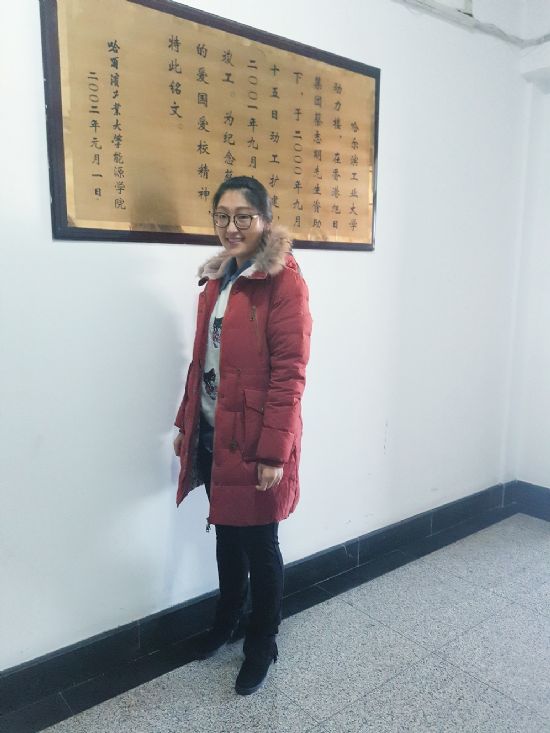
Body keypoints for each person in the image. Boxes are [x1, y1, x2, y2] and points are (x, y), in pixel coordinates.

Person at [173, 175, 312, 695]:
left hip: (257, 440)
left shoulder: (284, 282)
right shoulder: (218, 279)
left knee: (260, 544)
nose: (231, 227)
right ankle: (228, 619)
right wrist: (187, 424)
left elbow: (289, 374)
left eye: (243, 217)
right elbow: (200, 362)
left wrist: (274, 451)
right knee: (227, 535)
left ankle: (262, 642)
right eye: (222, 217)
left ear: (265, 221)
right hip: (216, 430)